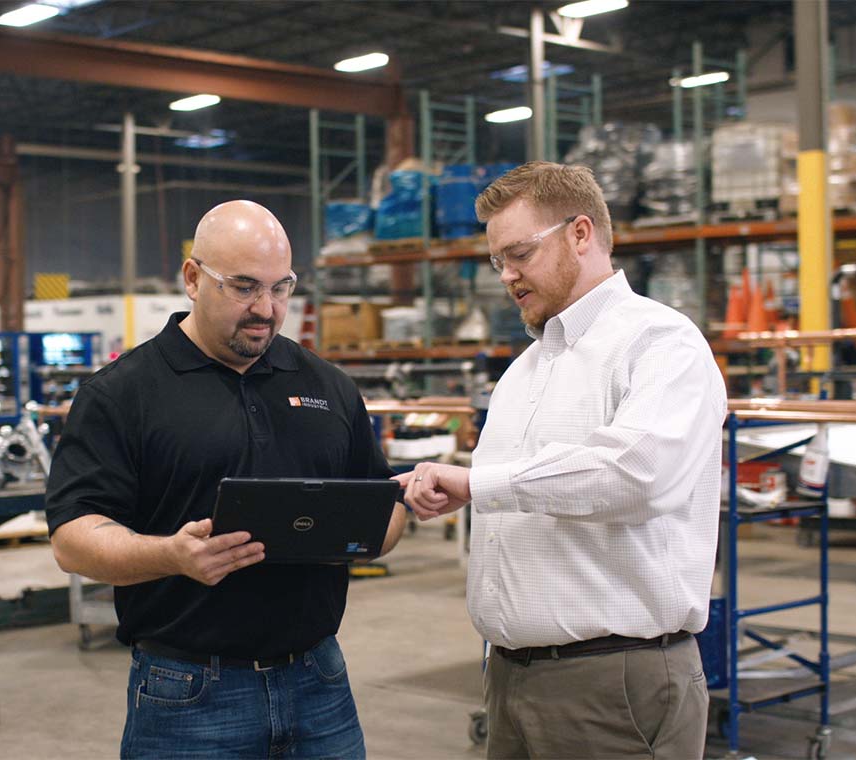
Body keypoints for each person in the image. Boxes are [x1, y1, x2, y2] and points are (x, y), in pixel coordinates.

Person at [46, 200, 405, 759]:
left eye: (281, 288)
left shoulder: (328, 386)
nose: (265, 308)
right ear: (193, 278)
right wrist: (172, 554)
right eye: (243, 287)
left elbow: (383, 512)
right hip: (187, 694)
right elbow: (73, 539)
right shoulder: (121, 394)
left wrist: (383, 519)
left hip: (320, 681)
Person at [396, 162, 726, 759]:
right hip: (511, 679)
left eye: (519, 253)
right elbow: (516, 500)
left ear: (580, 234)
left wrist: (478, 483)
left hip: (614, 683)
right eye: (497, 260)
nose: (507, 275)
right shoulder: (523, 372)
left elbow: (636, 475)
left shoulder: (659, 343)